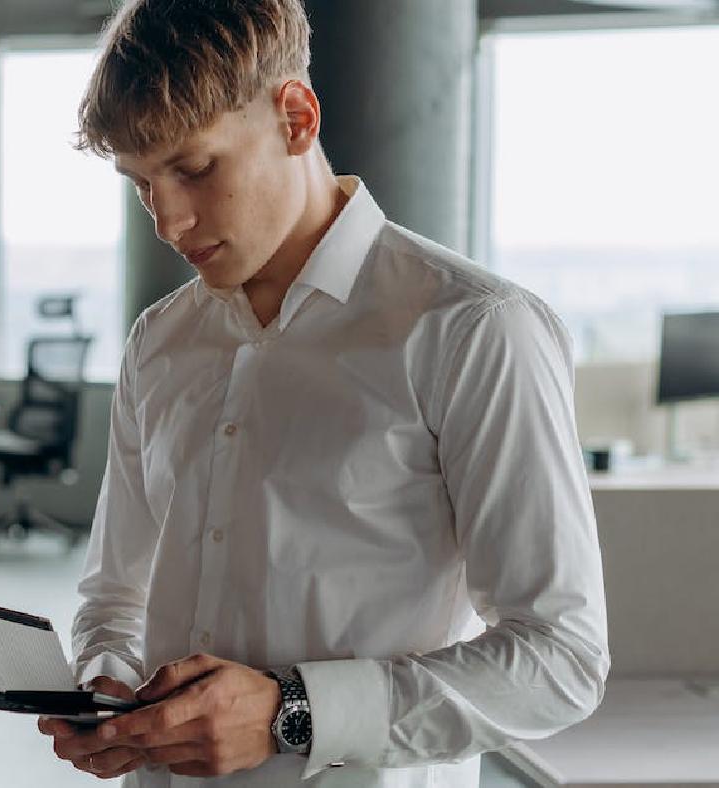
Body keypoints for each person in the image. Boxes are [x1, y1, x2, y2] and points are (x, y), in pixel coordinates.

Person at [37, 1, 609, 786]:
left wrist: (291, 713)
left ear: (296, 117)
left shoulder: (475, 331)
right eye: (140, 185)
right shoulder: (160, 342)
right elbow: (116, 594)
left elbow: (561, 658)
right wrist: (104, 679)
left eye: (195, 168)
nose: (167, 220)